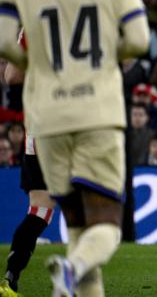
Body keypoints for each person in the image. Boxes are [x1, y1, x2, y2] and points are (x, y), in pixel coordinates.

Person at [0, 0, 150, 296]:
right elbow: (138, 42)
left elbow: (9, 63)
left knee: (67, 222)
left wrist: (47, 64)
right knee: (103, 227)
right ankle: (73, 266)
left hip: (46, 119)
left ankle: (63, 272)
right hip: (96, 112)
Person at [0, 64, 55, 297]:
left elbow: (11, 75)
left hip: (37, 130)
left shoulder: (30, 28)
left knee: (40, 210)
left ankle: (10, 279)